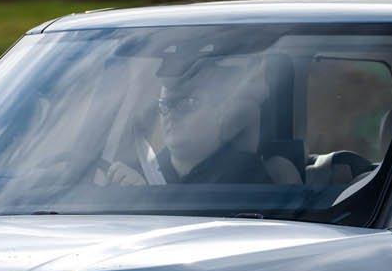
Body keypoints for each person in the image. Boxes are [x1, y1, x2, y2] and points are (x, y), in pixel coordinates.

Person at [96, 69, 270, 186]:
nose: (171, 113)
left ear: (219, 113)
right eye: (165, 104)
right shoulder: (140, 171)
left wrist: (147, 197)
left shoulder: (247, 176)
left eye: (187, 104)